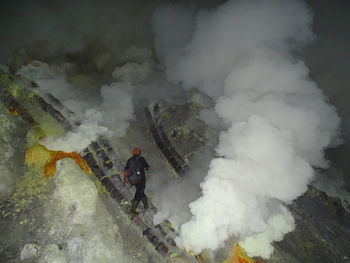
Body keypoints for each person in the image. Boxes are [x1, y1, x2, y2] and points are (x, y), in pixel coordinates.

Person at [124, 147, 150, 216]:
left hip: (132, 180)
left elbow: (126, 170)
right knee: (139, 193)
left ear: (133, 153)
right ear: (139, 153)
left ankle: (146, 206)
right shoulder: (141, 159)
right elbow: (147, 167)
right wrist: (145, 168)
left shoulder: (130, 160)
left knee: (141, 191)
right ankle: (132, 210)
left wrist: (125, 179)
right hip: (140, 179)